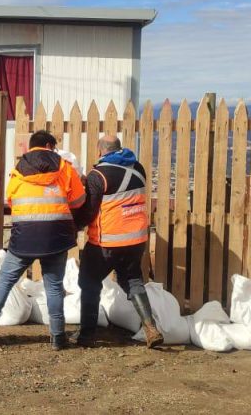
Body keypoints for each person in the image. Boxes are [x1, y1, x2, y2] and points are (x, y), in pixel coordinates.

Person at [0, 130, 85, 350]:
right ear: (48, 145)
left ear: (32, 146)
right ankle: (57, 337)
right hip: (56, 236)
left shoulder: (18, 170)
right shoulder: (65, 167)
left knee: (4, 282)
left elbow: (10, 199)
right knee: (54, 287)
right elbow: (79, 200)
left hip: (24, 237)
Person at [72, 135, 163, 348]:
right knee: (133, 280)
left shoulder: (99, 175)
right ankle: (150, 327)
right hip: (136, 239)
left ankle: (86, 335)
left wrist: (74, 225)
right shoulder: (139, 169)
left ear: (100, 150)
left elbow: (89, 210)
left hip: (107, 241)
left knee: (89, 283)